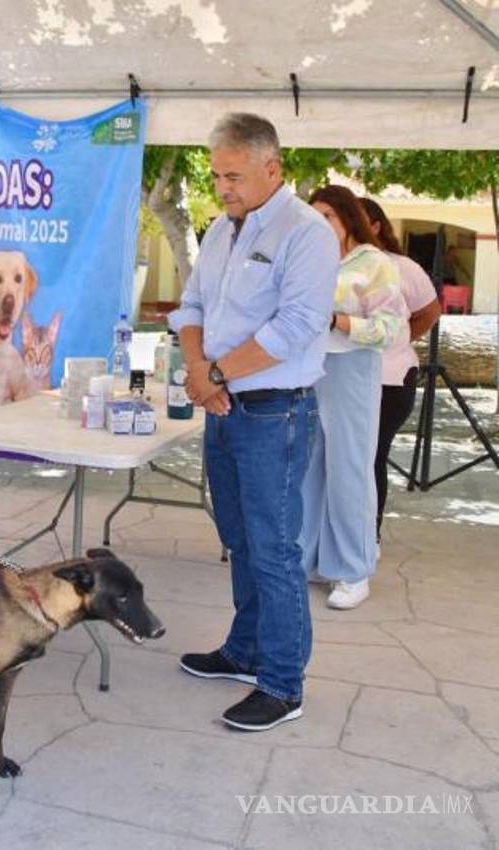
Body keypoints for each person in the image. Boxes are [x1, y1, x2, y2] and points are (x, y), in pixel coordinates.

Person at [169, 113, 339, 732]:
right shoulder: (220, 230)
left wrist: (214, 375)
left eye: (233, 176)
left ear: (273, 168)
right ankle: (244, 651)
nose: (222, 188)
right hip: (224, 405)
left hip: (275, 412)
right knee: (239, 540)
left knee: (275, 549)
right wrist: (198, 369)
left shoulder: (307, 233)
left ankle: (282, 682)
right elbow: (191, 307)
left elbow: (295, 326)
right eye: (216, 176)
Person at [303, 187, 405, 610]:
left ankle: (353, 570)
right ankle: (307, 560)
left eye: (327, 215)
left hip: (351, 368)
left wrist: (339, 321)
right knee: (307, 469)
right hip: (307, 369)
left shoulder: (374, 263)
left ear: (348, 217)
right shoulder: (307, 259)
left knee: (349, 471)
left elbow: (390, 327)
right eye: (314, 216)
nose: (319, 223)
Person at [358, 198, 441, 539]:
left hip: (390, 379)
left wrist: (399, 337)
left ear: (376, 225)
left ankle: (368, 535)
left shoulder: (402, 267)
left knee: (371, 457)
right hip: (341, 378)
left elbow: (430, 311)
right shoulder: (332, 265)